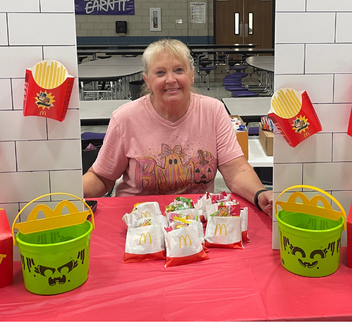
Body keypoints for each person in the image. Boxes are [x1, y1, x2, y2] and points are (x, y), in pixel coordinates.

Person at [82, 39, 273, 216]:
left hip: (195, 222)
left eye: (179, 70)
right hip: (138, 223)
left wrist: (259, 194)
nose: (171, 79)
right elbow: (101, 177)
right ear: (147, 80)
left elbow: (236, 170)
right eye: (160, 72)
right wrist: (65, 195)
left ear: (191, 75)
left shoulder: (213, 111)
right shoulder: (125, 118)